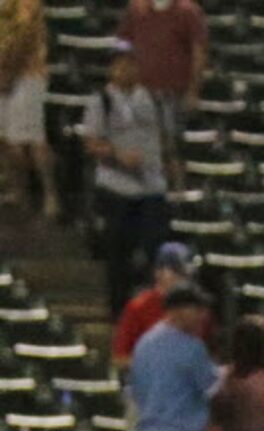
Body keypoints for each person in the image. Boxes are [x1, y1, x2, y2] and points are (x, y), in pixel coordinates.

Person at [81, 41, 169, 318]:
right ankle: (118, 312)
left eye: (129, 62)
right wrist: (118, 155)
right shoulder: (101, 100)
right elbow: (91, 143)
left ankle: (153, 310)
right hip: (116, 186)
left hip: (152, 186)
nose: (124, 68)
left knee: (154, 250)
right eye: (118, 63)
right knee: (118, 253)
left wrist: (174, 171)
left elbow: (166, 139)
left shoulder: (153, 98)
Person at [127, 279, 216, 431]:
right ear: (175, 311)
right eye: (195, 309)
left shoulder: (143, 345)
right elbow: (213, 389)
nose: (201, 315)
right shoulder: (192, 346)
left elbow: (136, 394)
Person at [117, 0, 205, 191]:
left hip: (173, 92)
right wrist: (123, 71)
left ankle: (176, 190)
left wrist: (193, 90)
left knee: (171, 145)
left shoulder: (188, 11)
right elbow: (123, 42)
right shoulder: (136, 9)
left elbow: (198, 52)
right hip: (141, 91)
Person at [111, 239, 212, 369]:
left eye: (188, 275)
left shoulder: (199, 310)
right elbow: (119, 358)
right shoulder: (138, 307)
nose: (186, 280)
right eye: (180, 274)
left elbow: (209, 357)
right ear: (159, 273)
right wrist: (160, 366)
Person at [0, 0, 57, 219]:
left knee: (32, 137)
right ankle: (17, 190)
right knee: (3, 139)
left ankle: (50, 194)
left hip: (27, 72)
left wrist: (7, 71)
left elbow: (24, 36)